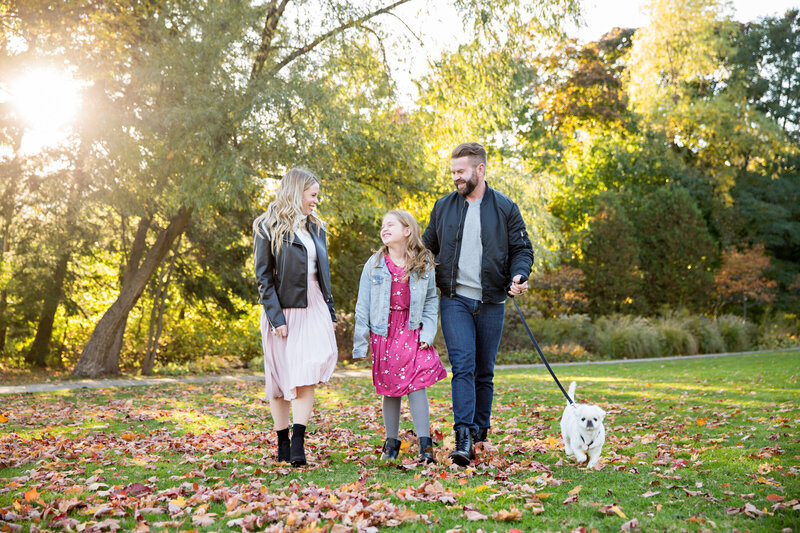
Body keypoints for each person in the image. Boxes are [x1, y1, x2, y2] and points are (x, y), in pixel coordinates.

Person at [422, 142, 533, 466]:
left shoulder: (505, 208)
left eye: (461, 172)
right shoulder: (443, 207)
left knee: (484, 371)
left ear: (480, 170)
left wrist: (519, 275)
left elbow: (522, 249)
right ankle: (463, 436)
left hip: (492, 300)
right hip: (455, 298)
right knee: (463, 366)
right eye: (453, 172)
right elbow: (427, 248)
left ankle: (481, 432)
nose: (455, 177)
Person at [253, 168, 338, 467]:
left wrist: (330, 311)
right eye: (312, 195)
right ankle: (282, 443)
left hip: (313, 306)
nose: (316, 201)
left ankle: (299, 441)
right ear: (296, 192)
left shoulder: (317, 228)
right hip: (282, 310)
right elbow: (263, 277)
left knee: (307, 371)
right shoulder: (267, 226)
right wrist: (276, 318)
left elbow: (322, 275)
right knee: (279, 381)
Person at [353, 210, 447, 463]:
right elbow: (363, 305)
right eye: (382, 225)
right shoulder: (373, 265)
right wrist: (361, 344)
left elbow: (430, 300)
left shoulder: (423, 262)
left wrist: (428, 332)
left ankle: (425, 444)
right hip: (385, 332)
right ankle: (391, 442)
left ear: (407, 231)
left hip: (413, 329)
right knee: (391, 389)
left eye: (390, 225)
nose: (384, 228)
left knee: (417, 385)